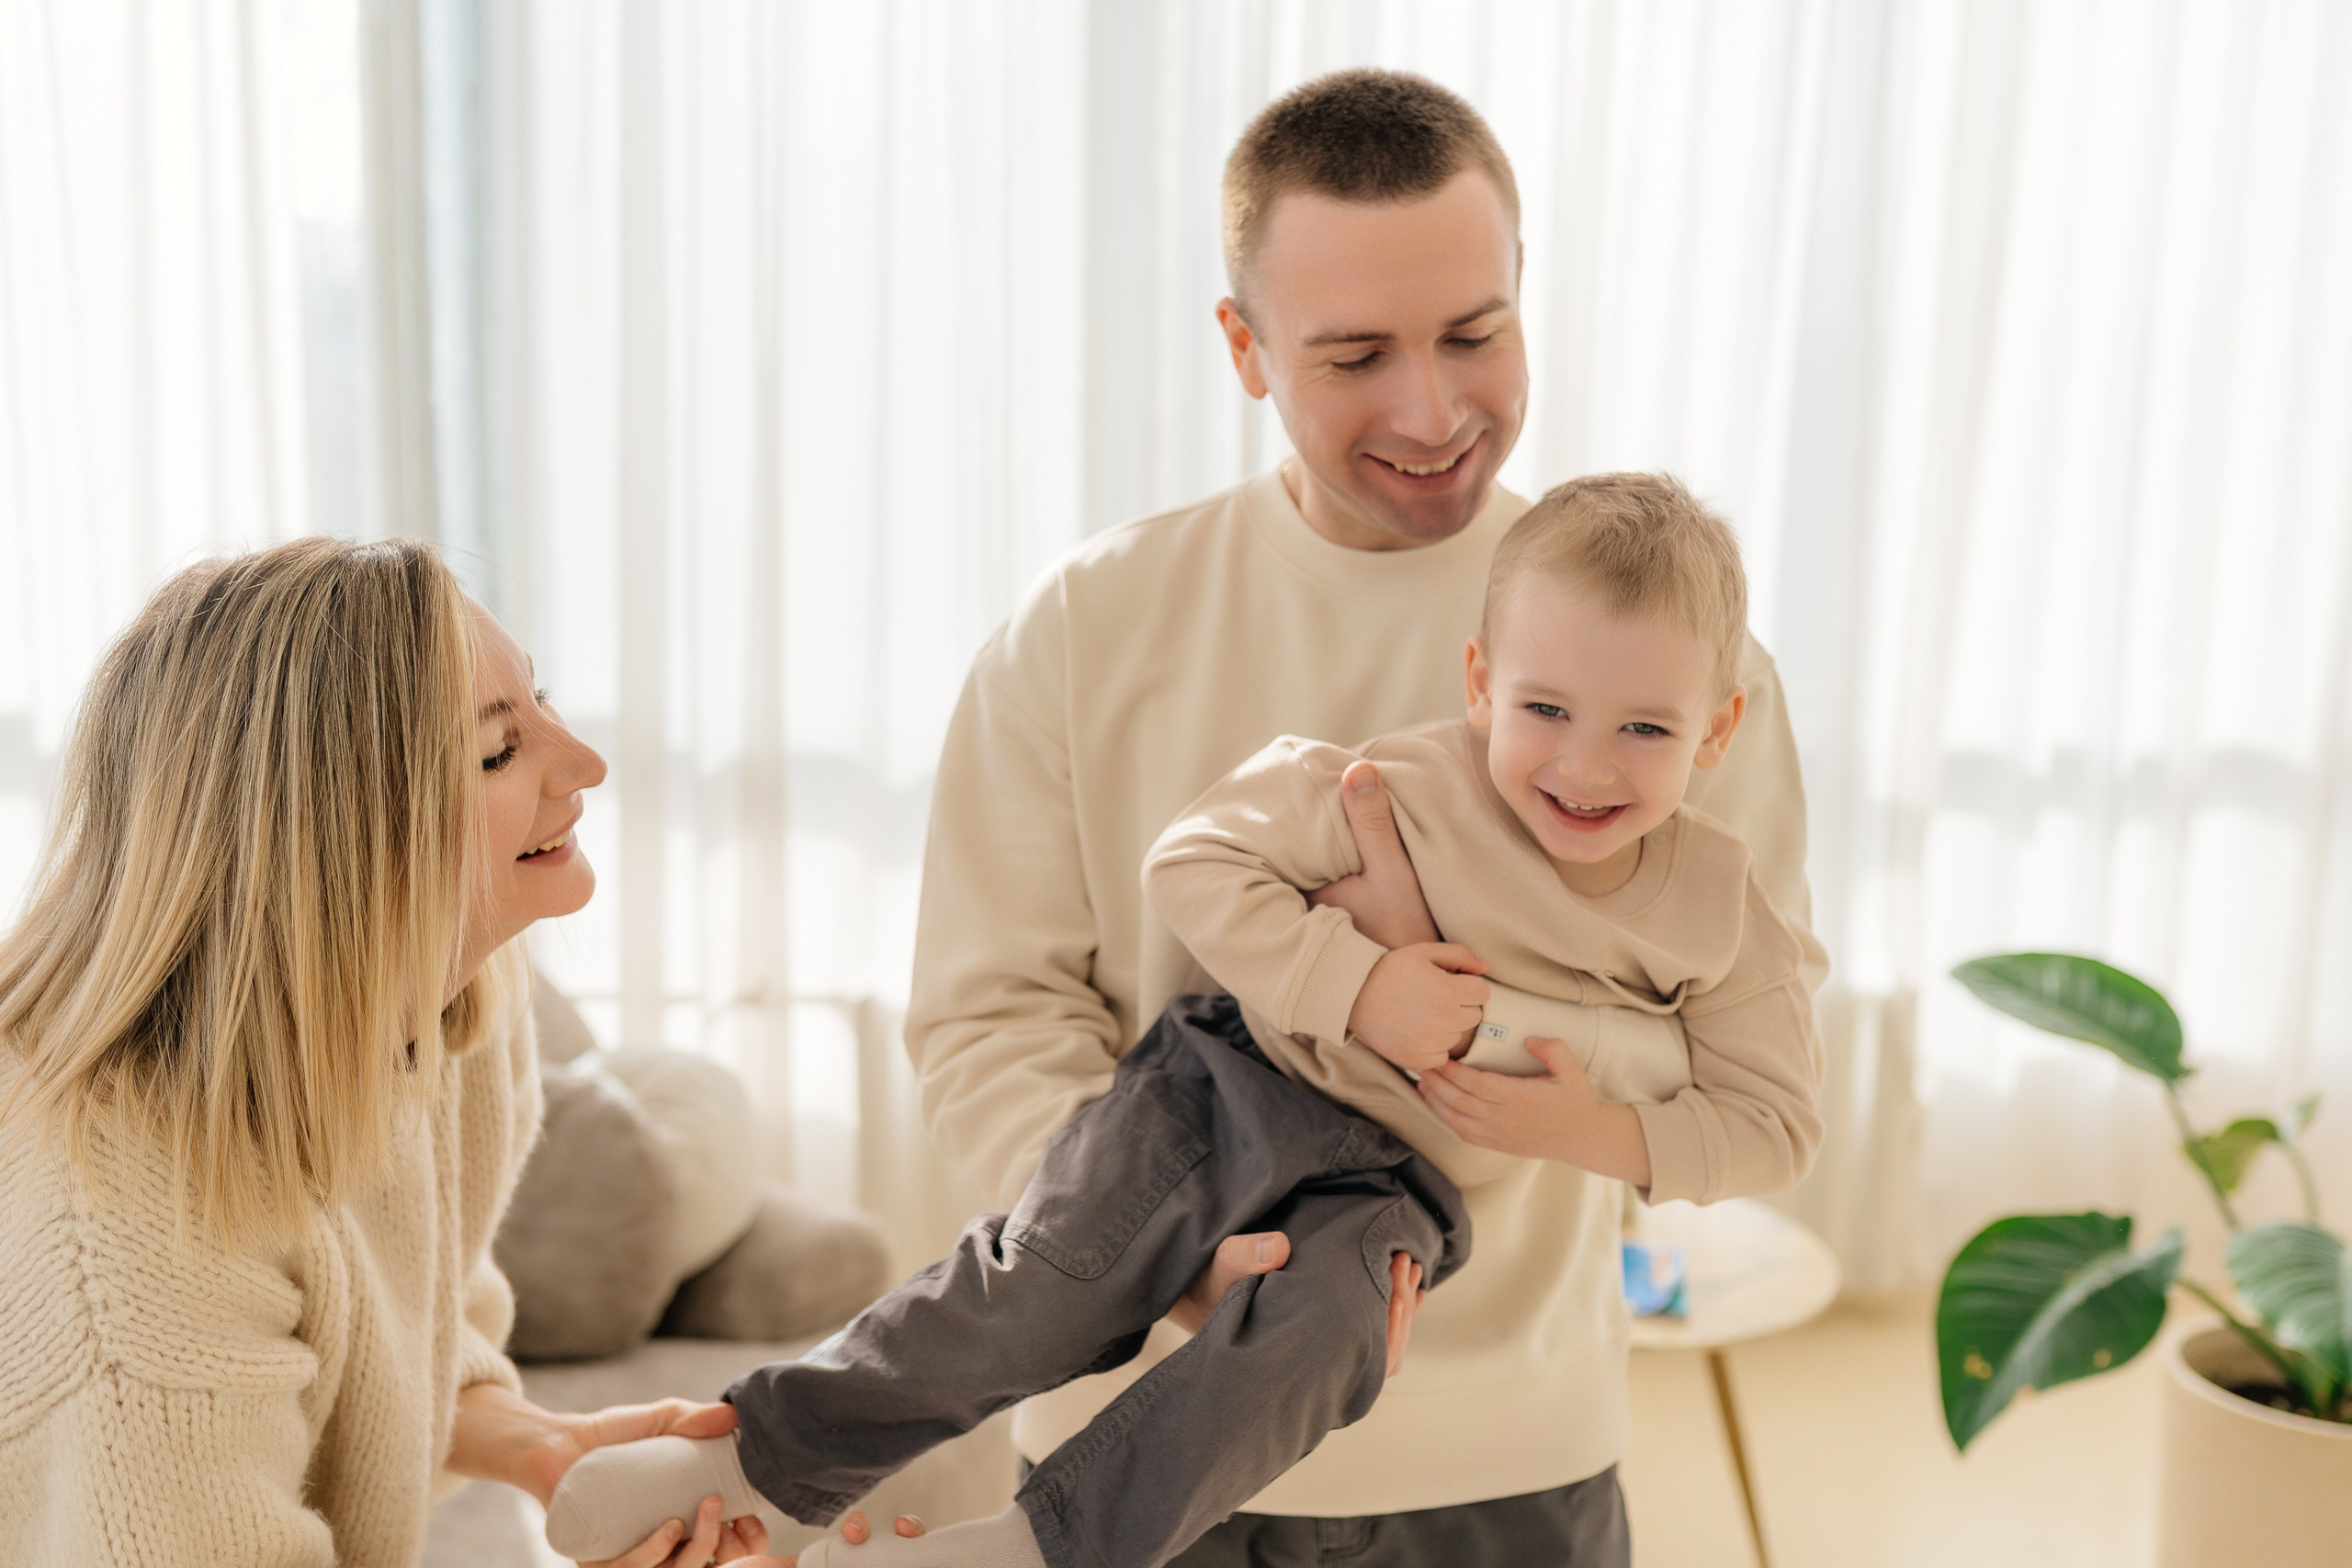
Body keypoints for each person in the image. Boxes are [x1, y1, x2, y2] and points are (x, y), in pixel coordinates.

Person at [537, 474, 1819, 1568]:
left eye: (1644, 728)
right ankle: (759, 1455)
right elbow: (1196, 860)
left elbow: (1776, 1119)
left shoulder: (1721, 909)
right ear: (1482, 684)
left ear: (1718, 728)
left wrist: (1582, 1128)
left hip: (1401, 1189)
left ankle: (1033, 1549)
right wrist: (1361, 985)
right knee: (1050, 1274)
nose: (1585, 765)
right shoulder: (1398, 778)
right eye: (1546, 710)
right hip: (1227, 1086)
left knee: (1320, 1342)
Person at [905, 69, 1823, 1567]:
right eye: (1354, 355)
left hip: (1517, 1461)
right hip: (1134, 1444)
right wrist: (1155, 1262)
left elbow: (1746, 1055)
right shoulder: (1084, 624)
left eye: (1475, 334)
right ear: (1244, 347)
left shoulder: (1680, 666)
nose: (1433, 411)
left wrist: (1445, 1001)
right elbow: (988, 1016)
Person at [0, 537, 822, 1568]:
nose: (585, 764)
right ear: (328, 831)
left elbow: (396, 1335)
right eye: (497, 752)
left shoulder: (455, 1014)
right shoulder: (131, 1239)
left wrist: (539, 1442)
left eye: (542, 702)